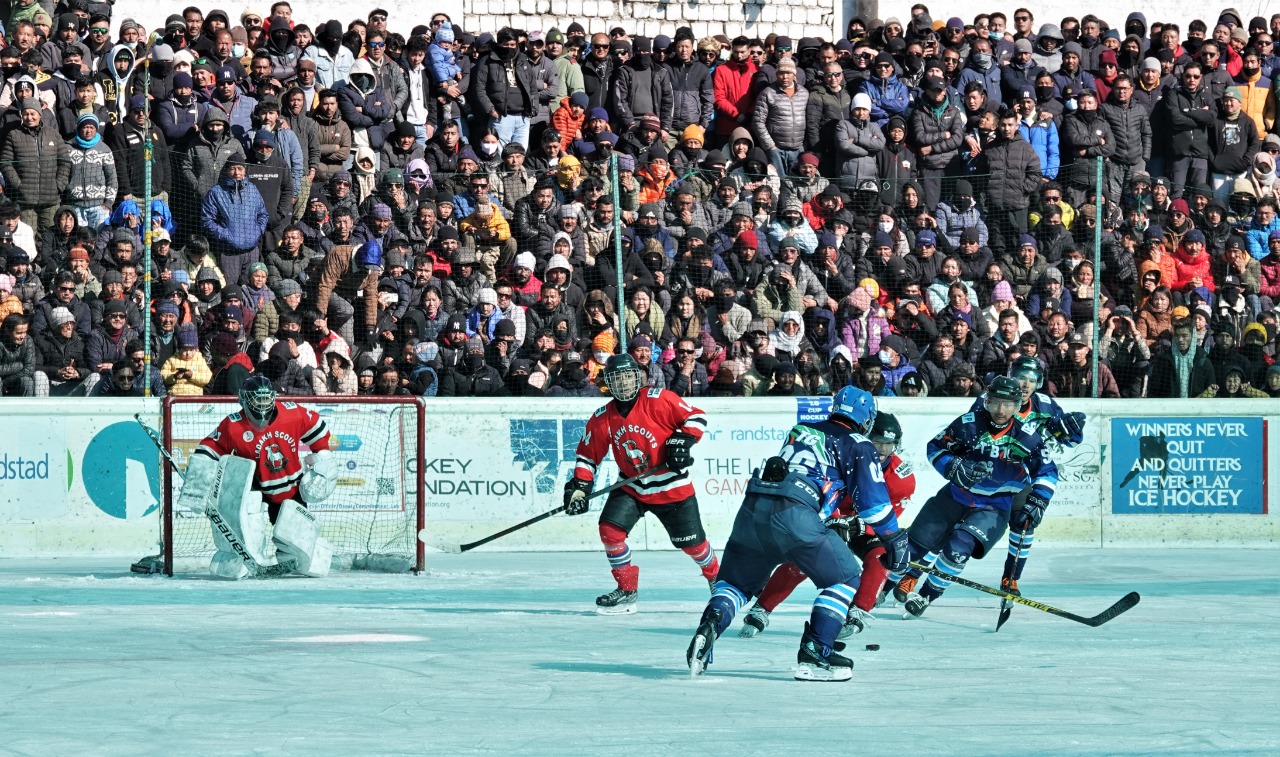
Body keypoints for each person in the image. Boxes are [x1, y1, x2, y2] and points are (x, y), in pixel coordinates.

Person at [685, 387, 907, 681]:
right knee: (845, 577)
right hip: (795, 513)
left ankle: (711, 624)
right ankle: (817, 651)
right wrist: (893, 539)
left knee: (736, 584)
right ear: (866, 417)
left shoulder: (801, 429)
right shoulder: (858, 443)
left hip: (753, 509)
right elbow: (875, 505)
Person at [738, 411, 916, 639]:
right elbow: (821, 494)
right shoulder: (842, 455)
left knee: (881, 557)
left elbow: (888, 517)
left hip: (863, 526)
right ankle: (761, 608)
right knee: (803, 559)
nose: (881, 451)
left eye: (888, 445)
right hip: (831, 517)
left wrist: (861, 525)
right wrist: (835, 520)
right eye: (877, 443)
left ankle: (859, 611)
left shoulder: (902, 480)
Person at [889, 376, 1058, 616]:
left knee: (958, 547)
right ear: (987, 401)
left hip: (993, 507)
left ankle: (926, 596)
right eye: (996, 403)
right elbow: (936, 446)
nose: (1001, 410)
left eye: (1008, 404)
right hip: (955, 497)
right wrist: (954, 465)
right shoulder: (968, 424)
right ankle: (882, 587)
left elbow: (1048, 470)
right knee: (913, 548)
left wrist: (1038, 500)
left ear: (1018, 405)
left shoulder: (1026, 436)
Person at [562, 354, 716, 614]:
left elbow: (697, 417)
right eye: (616, 377)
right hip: (631, 486)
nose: (623, 382)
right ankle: (627, 591)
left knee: (693, 545)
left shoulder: (660, 400)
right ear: (608, 383)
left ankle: (717, 579)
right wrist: (579, 486)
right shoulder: (602, 417)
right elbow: (587, 457)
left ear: (638, 377)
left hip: (671, 486)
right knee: (610, 530)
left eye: (628, 376)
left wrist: (683, 440)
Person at [189, 375, 339, 579]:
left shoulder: (292, 413)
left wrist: (322, 461)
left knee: (297, 544)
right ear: (243, 399)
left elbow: (319, 430)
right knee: (247, 535)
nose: (262, 404)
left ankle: (296, 559)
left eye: (266, 398)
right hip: (255, 488)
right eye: (256, 399)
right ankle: (242, 560)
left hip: (291, 489)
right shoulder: (233, 425)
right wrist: (198, 480)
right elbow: (209, 447)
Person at [976, 355, 1086, 597]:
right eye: (1020, 378)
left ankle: (1011, 579)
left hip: (1022, 476)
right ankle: (912, 575)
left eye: (1032, 380)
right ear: (1010, 376)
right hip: (987, 476)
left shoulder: (1046, 405)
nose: (1025, 385)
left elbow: (1069, 441)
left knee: (1025, 522)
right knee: (954, 522)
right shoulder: (993, 398)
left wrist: (1071, 429)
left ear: (1039, 383)